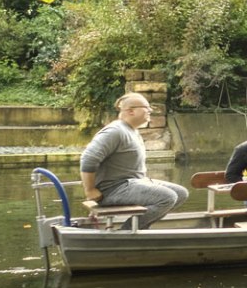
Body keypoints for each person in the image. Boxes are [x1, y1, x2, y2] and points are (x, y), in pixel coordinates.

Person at [79, 93, 190, 226]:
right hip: (113, 189)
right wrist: (90, 190)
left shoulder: (131, 130)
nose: (150, 111)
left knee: (181, 193)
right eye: (146, 107)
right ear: (131, 111)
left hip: (133, 183)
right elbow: (88, 158)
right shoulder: (115, 131)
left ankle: (141, 228)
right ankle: (127, 233)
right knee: (167, 197)